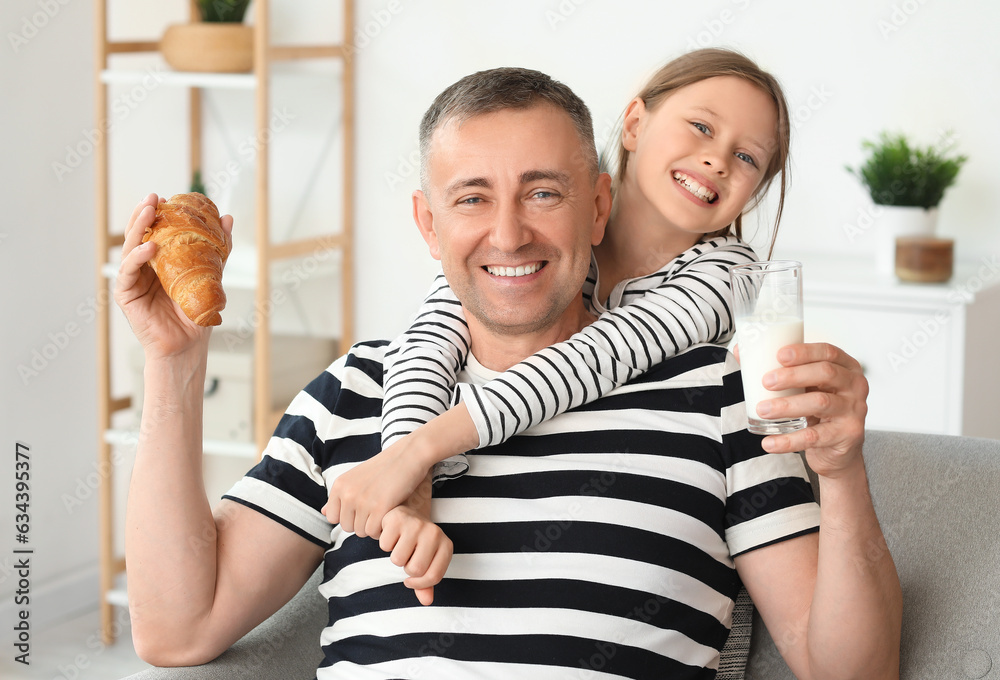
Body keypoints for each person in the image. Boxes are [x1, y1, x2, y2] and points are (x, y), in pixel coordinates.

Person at [116, 66, 901, 678]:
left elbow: (852, 671)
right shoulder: (352, 391)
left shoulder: (719, 400)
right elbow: (176, 631)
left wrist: (843, 476)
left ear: (598, 208)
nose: (508, 233)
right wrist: (174, 366)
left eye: (543, 193)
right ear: (428, 224)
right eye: (471, 199)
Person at [325, 49, 787, 541]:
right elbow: (429, 341)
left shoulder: (728, 277)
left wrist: (422, 451)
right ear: (634, 124)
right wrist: (404, 476)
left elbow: (593, 358)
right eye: (701, 126)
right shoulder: (542, 234)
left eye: (746, 157)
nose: (717, 159)